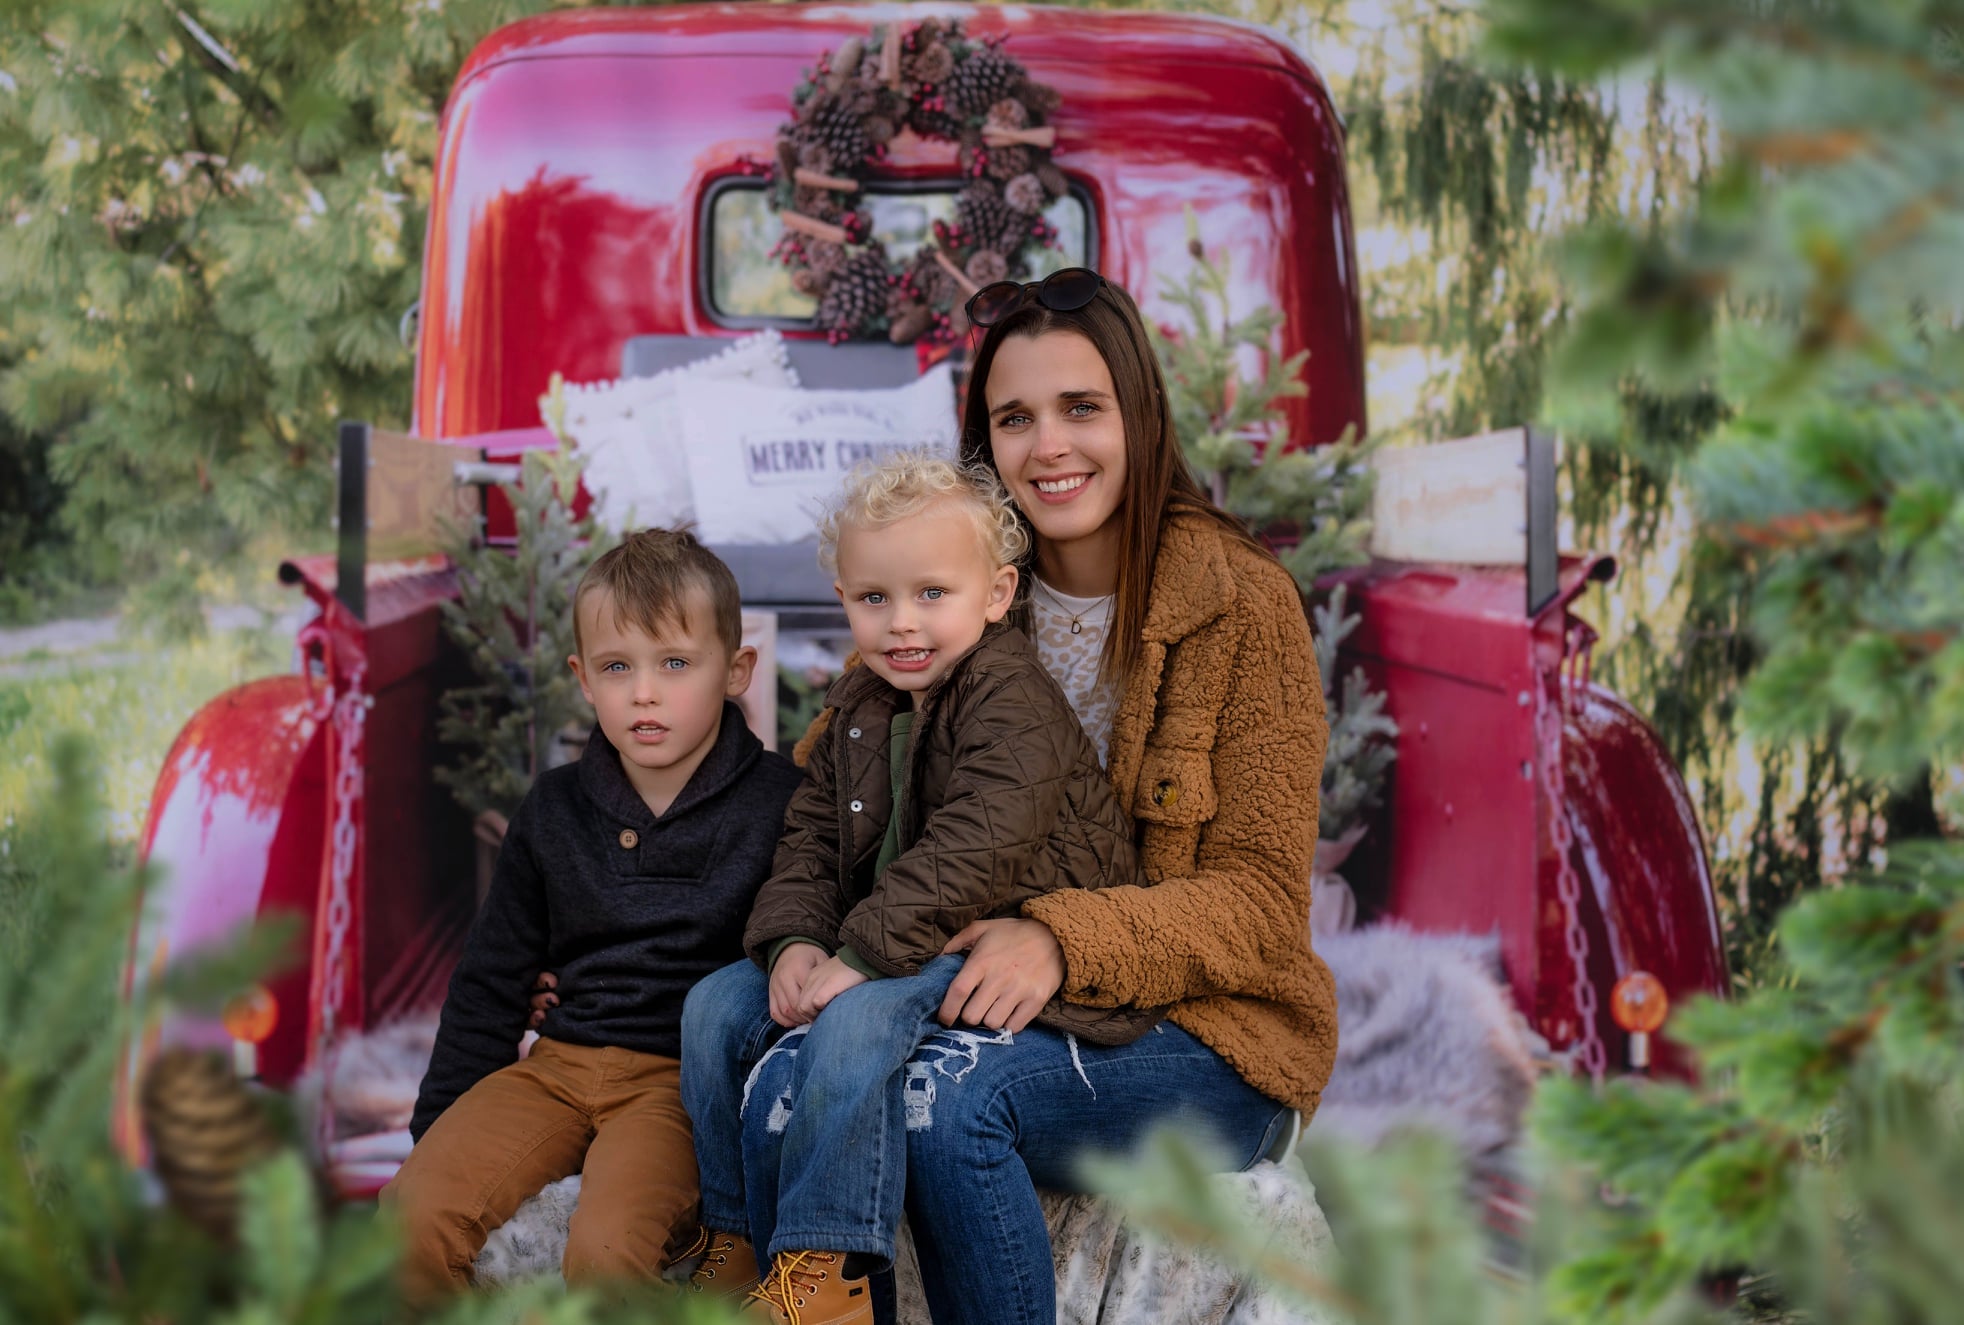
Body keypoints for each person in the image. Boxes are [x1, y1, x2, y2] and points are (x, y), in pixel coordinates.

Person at [529, 268, 1337, 1322]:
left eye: (1080, 407)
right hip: (983, 983)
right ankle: (770, 1272)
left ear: (1138, 412)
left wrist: (1059, 938)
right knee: (778, 1071)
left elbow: (1260, 906)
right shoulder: (935, 595)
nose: (1048, 445)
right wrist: (627, 931)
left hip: (1198, 1032)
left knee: (939, 1097)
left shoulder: (1235, 603)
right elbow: (812, 804)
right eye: (1014, 417)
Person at [679, 452, 1158, 1324]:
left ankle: (828, 1270)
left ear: (997, 593)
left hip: (997, 932)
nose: (903, 623)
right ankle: (734, 1235)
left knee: (858, 1020)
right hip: (896, 930)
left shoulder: (1014, 699)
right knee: (715, 1005)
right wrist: (792, 941)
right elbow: (812, 838)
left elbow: (977, 847)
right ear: (844, 597)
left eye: (932, 593)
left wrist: (857, 957)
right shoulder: (861, 701)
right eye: (874, 599)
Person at [381, 528, 803, 1301]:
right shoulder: (554, 809)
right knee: (410, 1217)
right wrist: (437, 1131)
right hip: (557, 1065)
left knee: (609, 1252)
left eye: (675, 663)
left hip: (678, 1084)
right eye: (617, 667)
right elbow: (491, 979)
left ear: (736, 669)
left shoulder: (779, 802)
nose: (644, 691)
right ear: (583, 678)